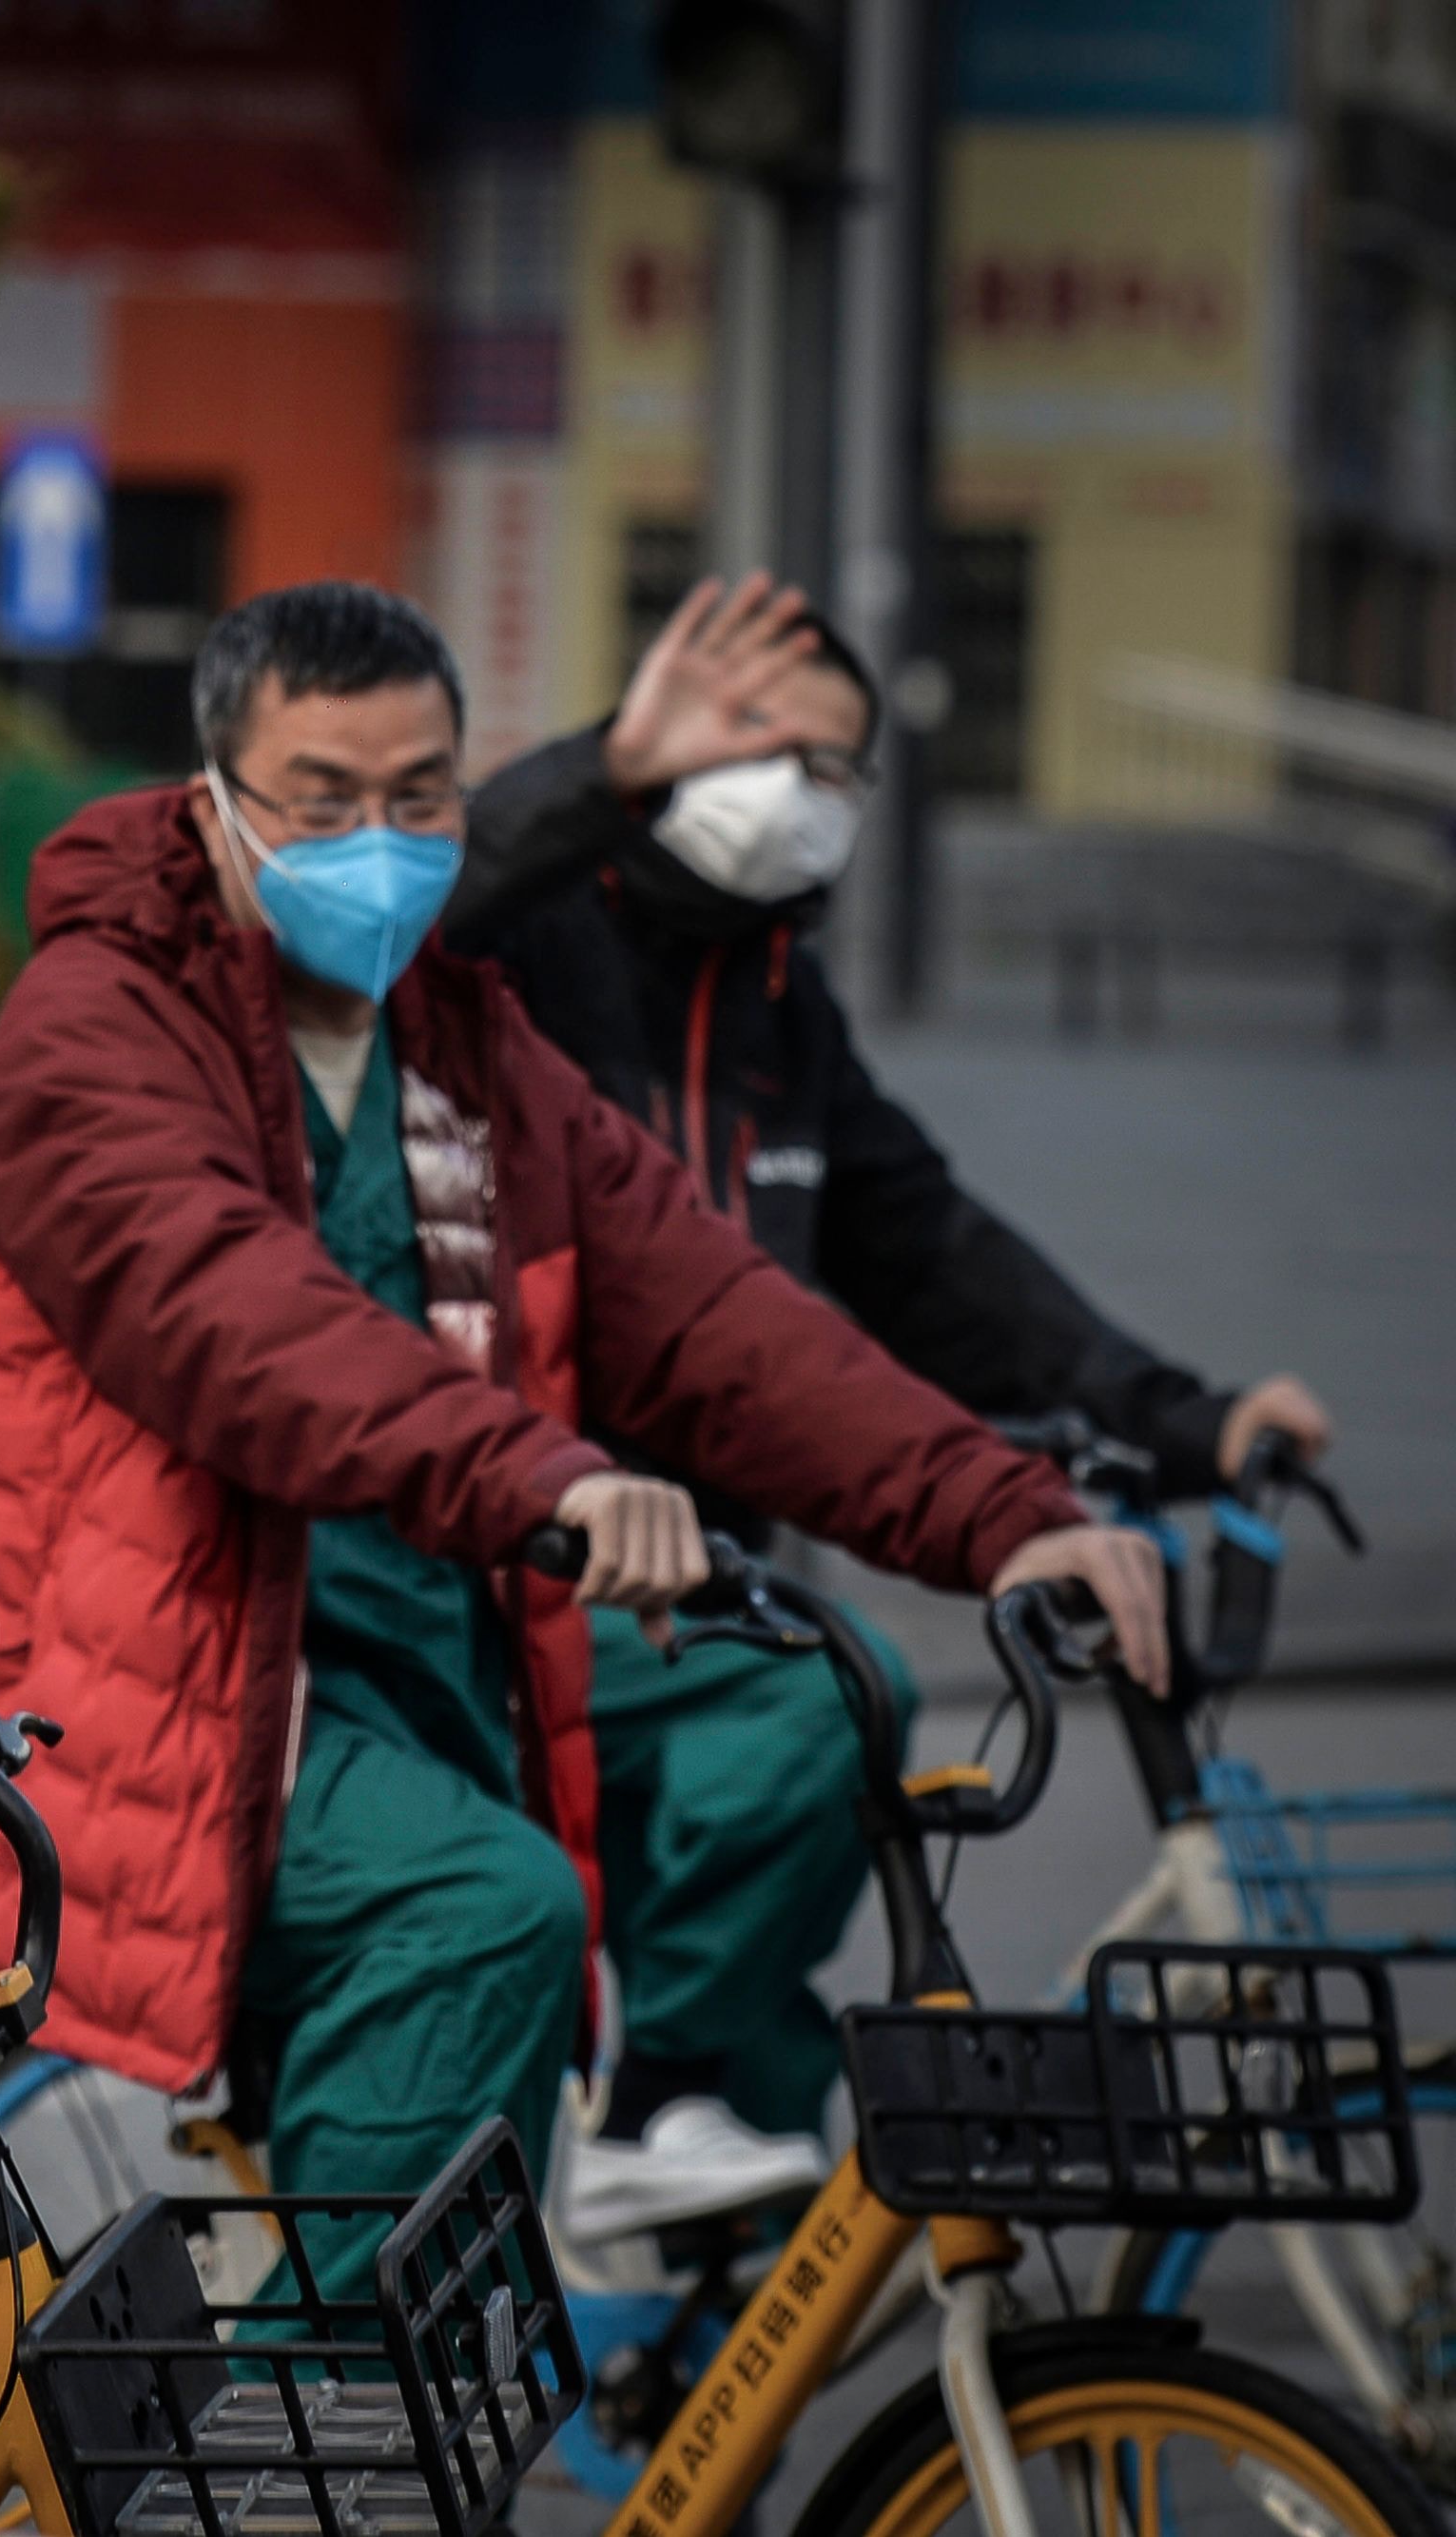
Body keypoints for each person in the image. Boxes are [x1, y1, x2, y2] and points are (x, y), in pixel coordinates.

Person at [0, 581, 1168, 2292]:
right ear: (216, 797)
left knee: (819, 1691)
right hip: (117, 1689)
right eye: (321, 796)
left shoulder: (464, 1046)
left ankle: (678, 2122)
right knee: (487, 1908)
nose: (377, 840)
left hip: (413, 1631)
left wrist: (1004, 1517)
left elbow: (715, 1314)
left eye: (422, 795)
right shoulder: (96, 1029)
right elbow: (237, 1320)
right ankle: (345, 2416)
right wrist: (554, 1475)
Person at [446, 574, 1332, 2217]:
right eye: (759, 739)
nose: (795, 787)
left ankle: (707, 2399)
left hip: (694, 1568)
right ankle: (659, 2109)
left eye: (838, 766)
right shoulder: (518, 939)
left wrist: (1182, 1415)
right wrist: (602, 771)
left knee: (803, 2100)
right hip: (500, 1555)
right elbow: (412, 907)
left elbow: (928, 1252)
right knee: (808, 1712)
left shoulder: (782, 1005)